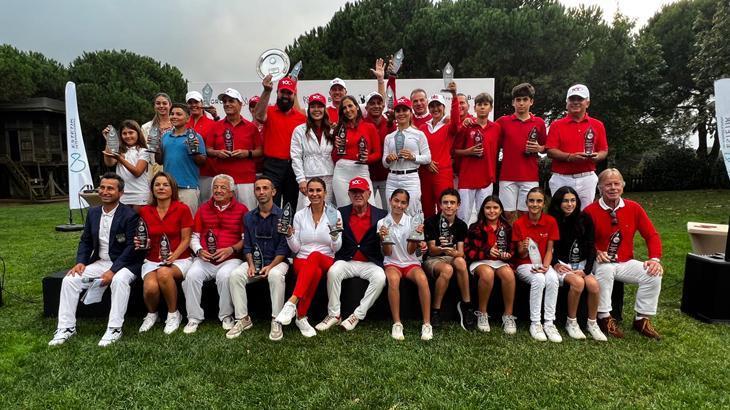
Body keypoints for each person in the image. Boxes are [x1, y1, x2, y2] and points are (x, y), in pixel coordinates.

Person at [49, 173, 144, 347]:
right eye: (102, 187)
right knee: (70, 280)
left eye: (110, 188)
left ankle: (114, 328)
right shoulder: (93, 212)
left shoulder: (130, 215)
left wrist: (113, 271)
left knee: (119, 280)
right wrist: (81, 262)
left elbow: (131, 248)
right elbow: (85, 241)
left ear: (120, 193)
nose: (105, 191)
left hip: (126, 263)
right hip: (100, 261)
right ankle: (66, 327)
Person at [584, 168, 663, 339]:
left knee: (653, 274)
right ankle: (604, 317)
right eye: (608, 184)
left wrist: (654, 259)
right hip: (600, 261)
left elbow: (651, 235)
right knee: (605, 269)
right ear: (600, 188)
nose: (613, 188)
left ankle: (641, 319)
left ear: (623, 186)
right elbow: (583, 241)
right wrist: (596, 251)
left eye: (616, 183)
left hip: (625, 261)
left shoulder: (634, 208)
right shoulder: (590, 211)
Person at [315, 177, 387, 332]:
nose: (358, 195)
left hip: (370, 262)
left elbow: (387, 240)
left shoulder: (381, 214)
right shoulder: (340, 212)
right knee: (334, 271)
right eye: (354, 192)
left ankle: (357, 315)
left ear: (369, 193)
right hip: (347, 260)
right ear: (348, 194)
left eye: (361, 191)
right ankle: (334, 314)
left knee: (380, 278)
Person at [274, 178, 342, 337]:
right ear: (307, 193)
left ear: (325, 193)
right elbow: (296, 248)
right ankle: (301, 317)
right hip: (302, 259)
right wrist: (289, 235)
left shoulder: (334, 213)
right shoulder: (299, 215)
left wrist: (334, 235)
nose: (314, 194)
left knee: (315, 255)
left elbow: (336, 248)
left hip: (325, 258)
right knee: (315, 273)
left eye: (318, 190)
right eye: (311, 190)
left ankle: (291, 302)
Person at [181, 174, 248, 334]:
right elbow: (194, 236)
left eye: (223, 187)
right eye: (215, 187)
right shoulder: (203, 208)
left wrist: (231, 249)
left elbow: (246, 239)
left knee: (224, 276)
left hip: (230, 258)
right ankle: (193, 317)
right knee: (192, 276)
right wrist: (199, 250)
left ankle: (226, 316)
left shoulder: (242, 210)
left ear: (231, 192)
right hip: (205, 258)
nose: (218, 190)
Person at [227, 176, 290, 341]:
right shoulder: (248, 217)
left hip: (278, 262)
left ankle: (276, 320)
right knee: (235, 275)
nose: (261, 192)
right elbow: (247, 245)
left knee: (275, 275)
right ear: (254, 192)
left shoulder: (283, 215)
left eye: (265, 188)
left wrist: (271, 266)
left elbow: (284, 248)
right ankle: (243, 319)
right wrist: (250, 264)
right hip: (254, 262)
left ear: (273, 192)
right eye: (258, 189)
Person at [136, 172, 194, 334]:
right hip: (153, 259)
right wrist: (143, 243)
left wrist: (173, 256)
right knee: (150, 288)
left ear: (172, 189)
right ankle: (152, 314)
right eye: (157, 185)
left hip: (180, 258)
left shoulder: (182, 209)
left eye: (165, 185)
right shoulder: (145, 211)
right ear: (152, 189)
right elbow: (144, 237)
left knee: (163, 273)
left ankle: (173, 314)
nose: (161, 188)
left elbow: (186, 239)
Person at [548, 186, 606, 341]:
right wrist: (555, 263)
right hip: (562, 263)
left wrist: (586, 270)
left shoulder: (585, 218)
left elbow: (591, 246)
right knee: (578, 283)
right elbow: (549, 246)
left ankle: (592, 323)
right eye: (565, 201)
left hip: (582, 263)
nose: (569, 204)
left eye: (573, 200)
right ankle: (571, 322)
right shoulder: (552, 220)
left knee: (593, 285)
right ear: (558, 203)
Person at [377, 189, 432, 341]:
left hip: (411, 262)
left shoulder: (413, 221)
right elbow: (387, 252)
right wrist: (384, 238)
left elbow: (410, 251)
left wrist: (415, 237)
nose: (399, 205)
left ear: (407, 205)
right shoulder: (382, 223)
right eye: (396, 201)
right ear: (390, 201)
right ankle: (397, 323)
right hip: (392, 262)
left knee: (423, 280)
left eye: (403, 202)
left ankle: (427, 324)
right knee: (393, 280)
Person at [546, 84, 609, 209]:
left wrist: (597, 156)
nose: (575, 102)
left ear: (587, 103)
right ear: (567, 103)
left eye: (580, 99)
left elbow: (604, 150)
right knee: (560, 214)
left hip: (587, 177)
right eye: (572, 99)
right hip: (561, 178)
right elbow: (550, 151)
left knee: (585, 214)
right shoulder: (556, 125)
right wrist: (570, 157)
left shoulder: (597, 125)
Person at [512, 187, 562, 342]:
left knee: (552, 278)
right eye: (531, 201)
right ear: (526, 202)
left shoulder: (551, 221)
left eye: (539, 201)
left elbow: (550, 249)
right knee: (539, 279)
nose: (535, 204)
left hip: (543, 263)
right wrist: (524, 248)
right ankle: (535, 323)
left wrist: (546, 266)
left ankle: (549, 323)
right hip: (524, 264)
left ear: (544, 204)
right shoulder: (519, 223)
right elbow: (520, 255)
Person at [463, 195, 517, 334]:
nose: (491, 211)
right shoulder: (475, 227)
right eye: (488, 208)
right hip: (480, 261)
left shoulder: (507, 228)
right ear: (483, 210)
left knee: (509, 274)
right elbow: (468, 251)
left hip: (500, 261)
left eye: (495, 208)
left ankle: (508, 315)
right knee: (487, 273)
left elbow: (512, 249)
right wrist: (487, 251)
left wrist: (507, 255)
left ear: (501, 210)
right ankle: (482, 313)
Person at [423, 188, 474, 330]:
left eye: (452, 202)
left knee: (461, 262)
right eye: (445, 202)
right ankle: (436, 311)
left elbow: (461, 253)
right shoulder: (431, 222)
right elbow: (431, 250)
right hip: (434, 258)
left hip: (451, 256)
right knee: (447, 269)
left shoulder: (461, 225)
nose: (449, 206)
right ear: (440, 205)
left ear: (458, 205)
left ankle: (466, 306)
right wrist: (443, 248)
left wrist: (454, 252)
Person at [496, 83, 547, 222]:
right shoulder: (503, 122)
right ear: (513, 102)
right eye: (518, 100)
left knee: (526, 214)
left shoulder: (539, 123)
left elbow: (546, 146)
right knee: (507, 214)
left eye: (525, 99)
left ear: (531, 101)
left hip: (530, 175)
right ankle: (508, 236)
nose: (521, 103)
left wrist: (540, 148)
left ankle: (523, 237)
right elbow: (489, 136)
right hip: (507, 175)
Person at [254, 75, 306, 209]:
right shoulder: (269, 111)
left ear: (294, 95)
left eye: (289, 93)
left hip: (293, 166)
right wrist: (266, 90)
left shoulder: (301, 118)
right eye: (283, 92)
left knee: (290, 205)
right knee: (271, 204)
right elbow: (258, 115)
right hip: (272, 166)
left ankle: (288, 224)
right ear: (277, 92)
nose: (285, 96)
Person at [208, 88, 262, 210]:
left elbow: (260, 151)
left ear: (240, 104)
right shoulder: (216, 126)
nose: (227, 104)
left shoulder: (251, 127)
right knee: (223, 214)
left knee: (248, 214)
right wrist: (217, 153)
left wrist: (247, 153)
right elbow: (208, 149)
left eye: (231, 101)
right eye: (225, 101)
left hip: (245, 180)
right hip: (222, 181)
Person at [453, 91, 501, 224]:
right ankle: (461, 238)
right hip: (467, 178)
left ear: (491, 108)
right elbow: (455, 151)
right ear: (474, 108)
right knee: (462, 217)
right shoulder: (467, 126)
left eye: (485, 104)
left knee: (485, 217)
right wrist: (469, 152)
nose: (482, 107)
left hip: (486, 178)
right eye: (479, 104)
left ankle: (483, 238)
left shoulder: (496, 128)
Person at [382, 97, 431, 216]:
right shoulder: (389, 137)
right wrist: (388, 159)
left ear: (410, 113)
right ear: (395, 114)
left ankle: (413, 229)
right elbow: (384, 163)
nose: (401, 113)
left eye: (405, 110)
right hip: (392, 178)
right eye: (398, 111)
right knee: (392, 212)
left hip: (410, 178)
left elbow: (427, 158)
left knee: (411, 212)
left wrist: (413, 157)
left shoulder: (419, 134)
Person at [155, 103, 206, 215]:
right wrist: (156, 147)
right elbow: (159, 161)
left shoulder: (195, 136)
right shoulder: (165, 137)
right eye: (172, 114)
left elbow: (202, 162)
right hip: (168, 187)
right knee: (169, 220)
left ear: (187, 118)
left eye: (178, 114)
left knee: (188, 221)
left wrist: (193, 150)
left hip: (188, 188)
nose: (174, 116)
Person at [331, 95, 381, 207]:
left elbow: (378, 153)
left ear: (357, 107)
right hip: (341, 173)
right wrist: (337, 148)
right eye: (344, 108)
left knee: (369, 206)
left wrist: (367, 158)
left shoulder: (369, 127)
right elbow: (334, 158)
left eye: (350, 106)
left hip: (361, 170)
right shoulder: (339, 129)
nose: (348, 110)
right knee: (345, 209)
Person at [419, 84, 460, 218]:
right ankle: (430, 231)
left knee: (445, 207)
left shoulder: (449, 126)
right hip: (425, 171)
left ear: (444, 107)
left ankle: (446, 231)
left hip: (442, 172)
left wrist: (454, 96)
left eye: (438, 105)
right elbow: (418, 149)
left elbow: (456, 121)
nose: (435, 109)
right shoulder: (423, 127)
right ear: (429, 108)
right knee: (427, 207)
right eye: (432, 106)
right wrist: (426, 163)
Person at [290, 93, 335, 210]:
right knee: (307, 211)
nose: (316, 110)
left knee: (328, 211)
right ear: (308, 109)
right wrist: (301, 179)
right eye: (313, 106)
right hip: (308, 178)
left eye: (319, 106)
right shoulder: (299, 130)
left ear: (324, 109)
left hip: (329, 177)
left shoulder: (332, 129)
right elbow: (296, 157)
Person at [102, 120, 150, 210]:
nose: (128, 136)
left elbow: (137, 172)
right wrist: (109, 140)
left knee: (137, 219)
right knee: (123, 219)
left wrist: (120, 159)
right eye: (124, 133)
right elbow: (109, 163)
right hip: (122, 194)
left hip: (139, 194)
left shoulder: (143, 151)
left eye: (131, 133)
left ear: (138, 133)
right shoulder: (119, 150)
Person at [362, 91, 394, 209]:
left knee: (389, 210)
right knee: (366, 211)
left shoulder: (390, 124)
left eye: (379, 103)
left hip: (388, 177)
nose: (376, 106)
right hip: (367, 177)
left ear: (383, 106)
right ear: (366, 107)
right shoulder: (361, 124)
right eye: (372, 103)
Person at [185, 91, 218, 203]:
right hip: (188, 171)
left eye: (196, 102)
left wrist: (216, 116)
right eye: (190, 102)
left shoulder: (212, 123)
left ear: (202, 104)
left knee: (206, 204)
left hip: (207, 171)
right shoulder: (184, 123)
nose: (193, 105)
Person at [142, 92, 173, 175]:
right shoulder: (146, 127)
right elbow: (143, 151)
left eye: (164, 103)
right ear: (154, 106)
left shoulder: (177, 126)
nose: (161, 106)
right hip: (153, 169)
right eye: (158, 103)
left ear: (170, 105)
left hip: (173, 166)